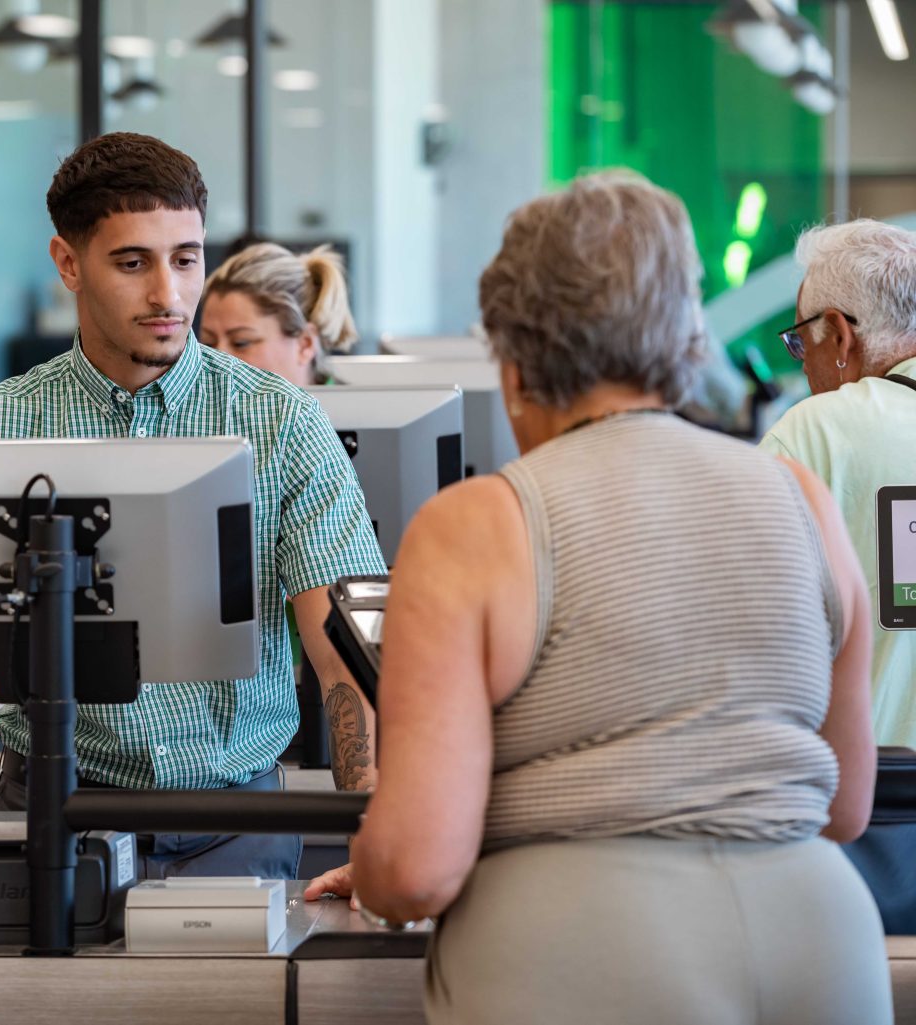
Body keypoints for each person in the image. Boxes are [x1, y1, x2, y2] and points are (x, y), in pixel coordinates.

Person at [306, 171, 890, 1024]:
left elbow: (418, 871)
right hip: (824, 943)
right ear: (687, 336)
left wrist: (384, 857)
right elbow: (844, 805)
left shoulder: (476, 525)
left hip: (579, 952)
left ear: (513, 361)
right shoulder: (803, 500)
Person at [0, 132, 385, 905]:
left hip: (237, 824)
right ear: (68, 264)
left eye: (186, 259)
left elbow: (341, 652)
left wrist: (376, 829)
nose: (168, 293)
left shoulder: (283, 423)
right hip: (49, 817)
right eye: (133, 263)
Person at [760, 219, 916, 747]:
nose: (804, 368)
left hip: (870, 786)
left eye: (801, 342)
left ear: (839, 333)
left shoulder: (813, 434)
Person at [200, 242, 357, 385]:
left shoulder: (358, 406)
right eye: (208, 344)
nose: (217, 361)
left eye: (241, 343)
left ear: (305, 344)